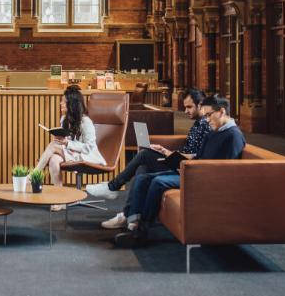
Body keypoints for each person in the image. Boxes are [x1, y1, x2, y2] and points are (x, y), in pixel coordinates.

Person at [114, 94, 246, 247]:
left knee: (158, 182)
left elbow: (226, 171)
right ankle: (132, 223)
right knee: (143, 178)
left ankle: (141, 233)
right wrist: (173, 157)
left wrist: (191, 169)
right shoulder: (213, 132)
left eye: (209, 115)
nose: (207, 120)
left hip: (203, 179)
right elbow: (199, 157)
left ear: (222, 112)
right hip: (194, 171)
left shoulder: (233, 136)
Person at [88, 88, 211, 229]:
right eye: (185, 107)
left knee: (145, 154)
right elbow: (190, 150)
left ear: (200, 105)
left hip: (186, 166)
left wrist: (168, 154)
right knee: (142, 167)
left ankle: (113, 188)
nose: (185, 111)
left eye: (189, 107)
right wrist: (168, 152)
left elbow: (198, 156)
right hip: (179, 161)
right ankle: (130, 216)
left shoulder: (207, 126)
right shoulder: (197, 124)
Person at [34, 85, 107, 212]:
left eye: (64, 101)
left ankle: (33, 176)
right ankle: (61, 200)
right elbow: (67, 142)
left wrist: (66, 144)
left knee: (53, 146)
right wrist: (62, 140)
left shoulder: (86, 122)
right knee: (53, 159)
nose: (61, 103)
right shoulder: (64, 119)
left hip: (87, 156)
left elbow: (89, 147)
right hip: (72, 153)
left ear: (72, 105)